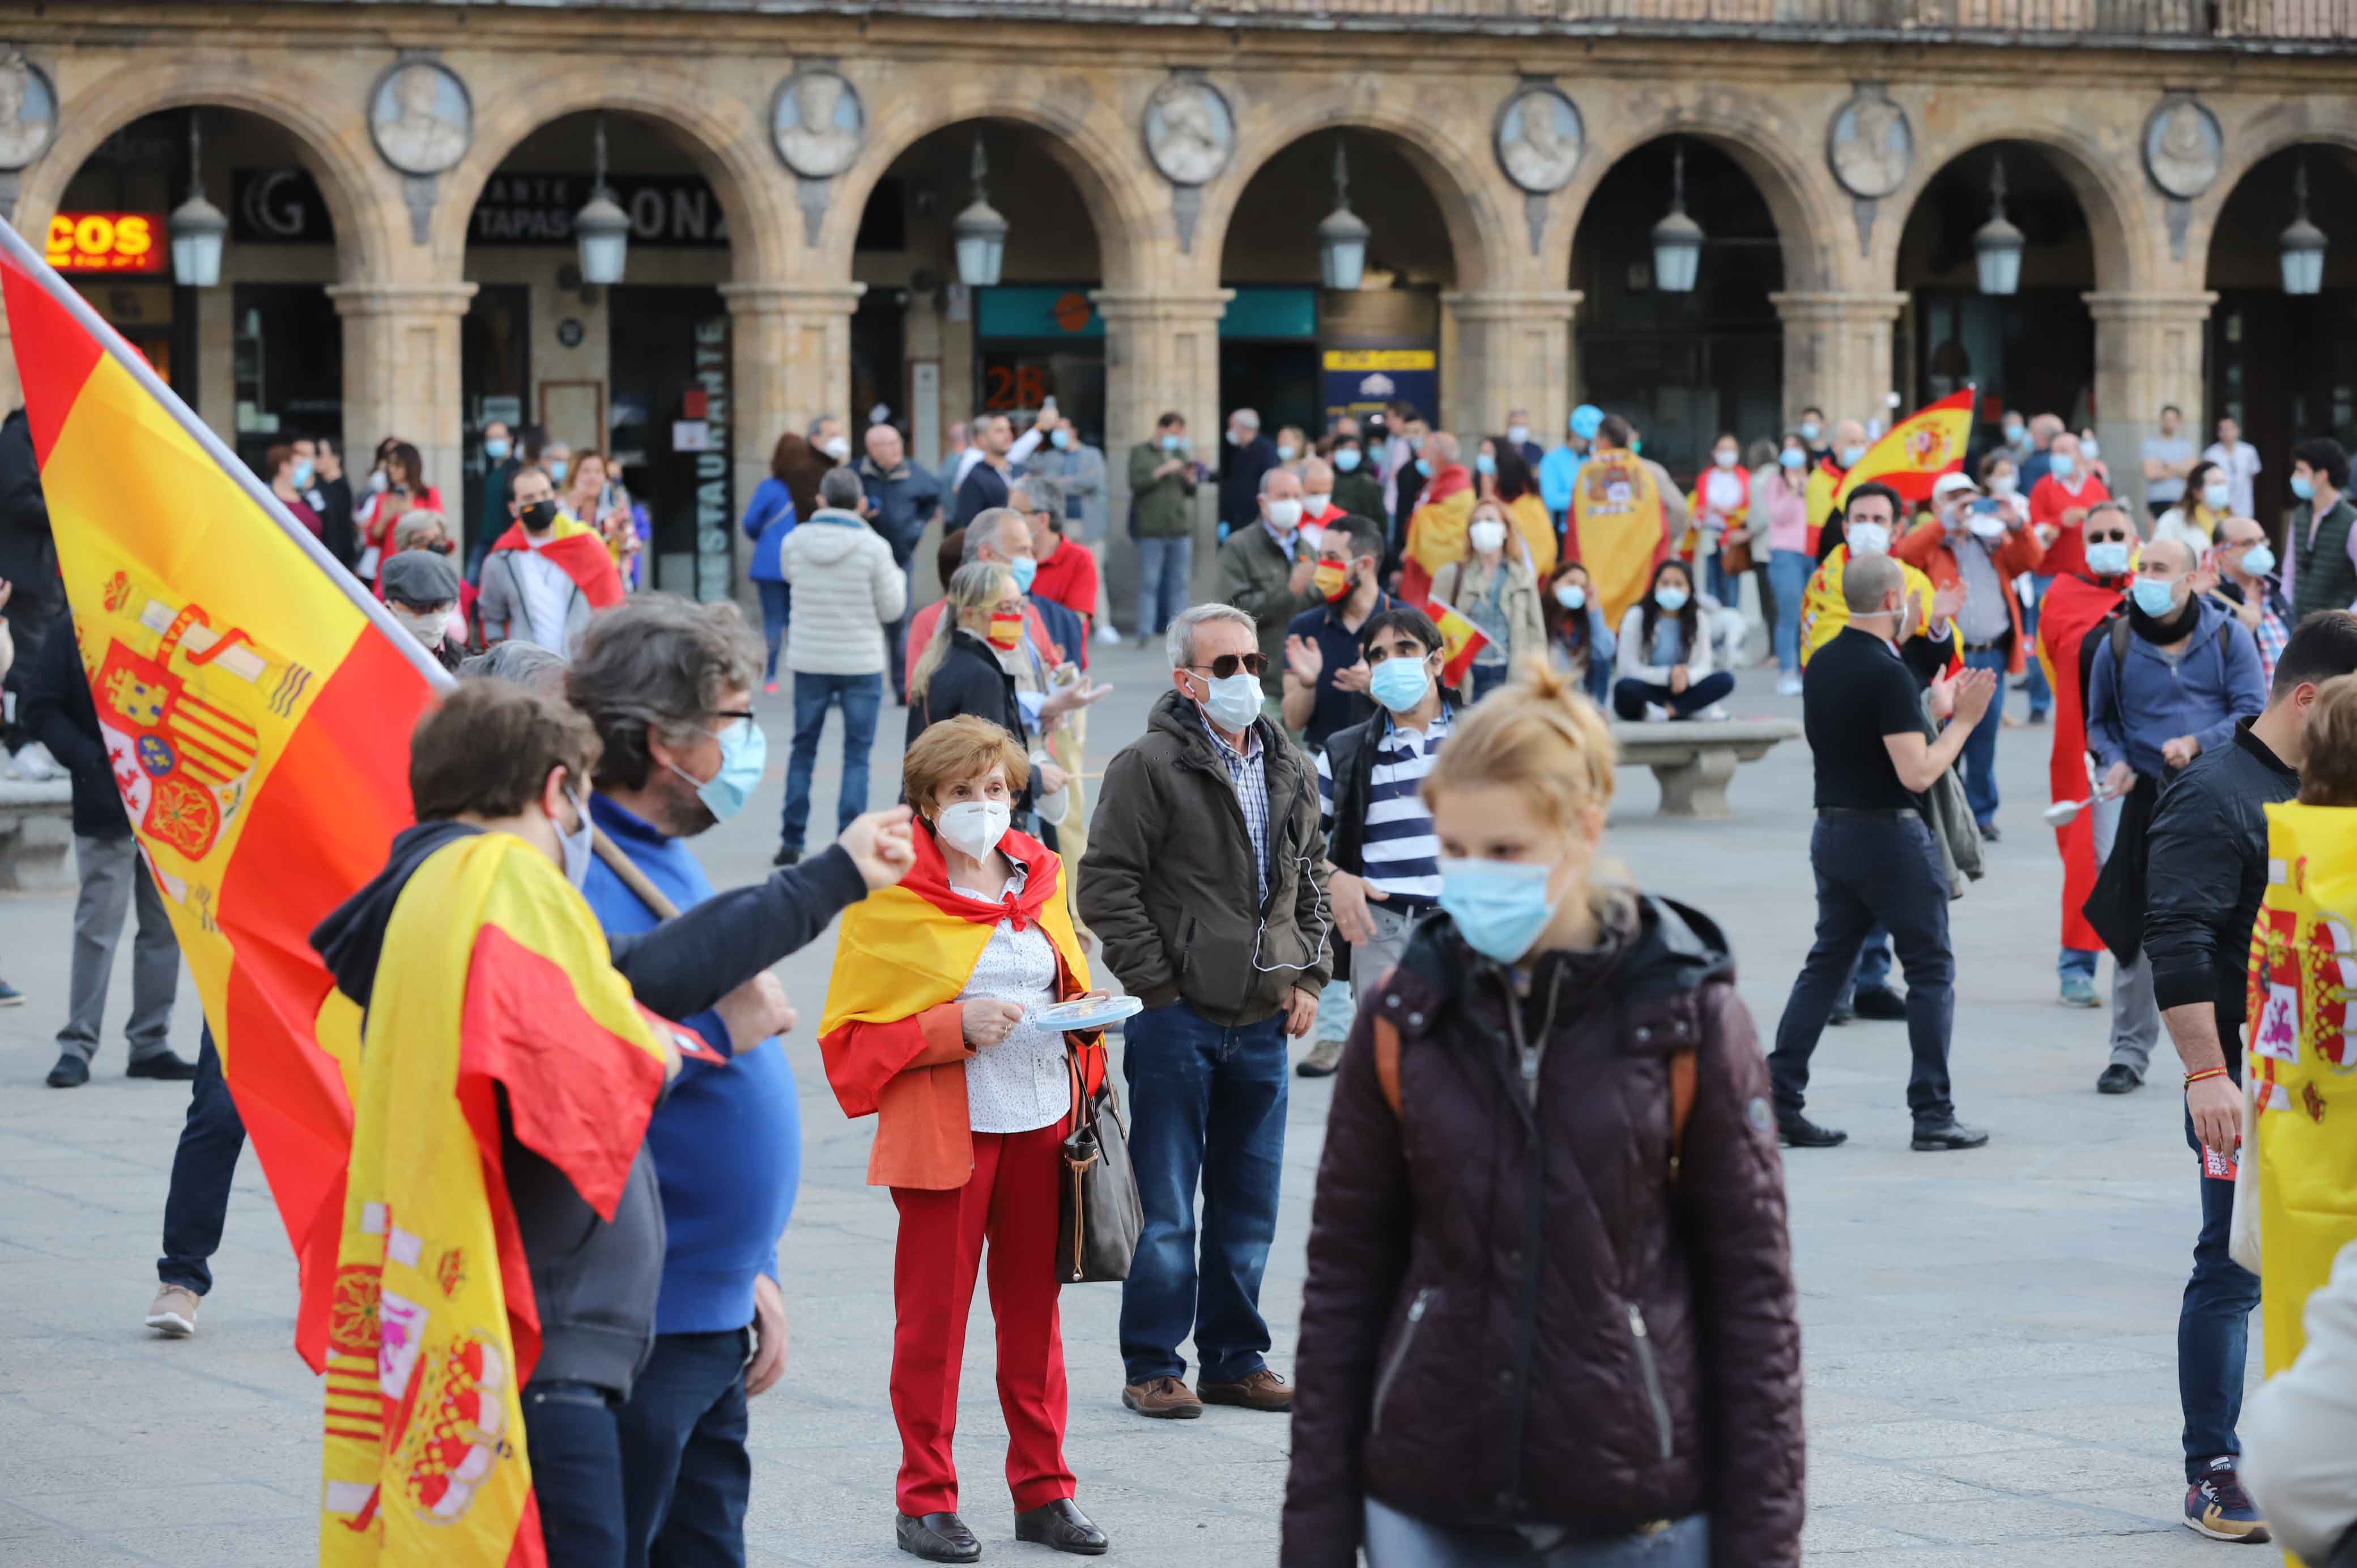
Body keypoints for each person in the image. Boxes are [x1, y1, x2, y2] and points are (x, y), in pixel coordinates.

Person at [1283, 656, 1805, 1568]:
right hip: (1429, 1496)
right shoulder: (1404, 1019)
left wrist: (1761, 1546)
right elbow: (1343, 1286)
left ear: (1583, 831)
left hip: (1635, 1504)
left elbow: (1753, 1302)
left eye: (1506, 852)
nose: (1474, 877)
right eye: (1456, 850)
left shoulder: (1688, 1019)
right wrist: (1314, 1541)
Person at [566, 599, 913, 1568]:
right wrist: (725, 1028)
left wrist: (752, 1265)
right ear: (655, 737)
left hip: (712, 1304)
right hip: (642, 1320)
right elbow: (598, 1077)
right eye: (729, 720)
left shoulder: (662, 852)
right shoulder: (577, 872)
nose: (744, 742)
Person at [818, 716, 1111, 1563]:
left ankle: (1046, 1492)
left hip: (1044, 1124)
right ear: (925, 802)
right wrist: (951, 1026)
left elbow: (1069, 975)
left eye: (996, 790)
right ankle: (925, 1500)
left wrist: (1086, 1013)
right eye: (962, 793)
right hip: (949, 1134)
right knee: (933, 1329)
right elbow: (850, 1038)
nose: (984, 806)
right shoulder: (894, 894)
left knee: (1036, 1324)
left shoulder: (1040, 872)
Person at [1079, 603, 1329, 1422]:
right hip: (1177, 1019)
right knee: (1165, 1204)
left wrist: (1310, 978)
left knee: (1249, 1204)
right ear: (1186, 681)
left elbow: (1313, 879)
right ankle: (1154, 1363)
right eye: (1226, 668)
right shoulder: (1147, 764)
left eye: (1254, 664)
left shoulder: (1288, 760)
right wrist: (1159, 986)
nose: (1246, 680)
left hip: (1265, 1017)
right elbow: (1107, 884)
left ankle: (1233, 1358)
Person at [2146, 612, 2357, 1547]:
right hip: (2249, 1079)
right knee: (2231, 1268)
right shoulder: (2217, 794)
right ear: (2308, 698)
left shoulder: (2330, 793)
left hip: (2325, 1081)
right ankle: (2213, 1464)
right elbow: (2180, 941)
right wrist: (2206, 1073)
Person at [1770, 551, 1997, 1152]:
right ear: (1895, 598)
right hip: (1890, 836)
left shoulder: (1823, 661)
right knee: (1928, 968)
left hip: (1833, 831)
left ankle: (1779, 1097)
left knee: (1825, 965)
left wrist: (1929, 698)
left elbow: (1869, 730)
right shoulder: (1883, 672)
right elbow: (1917, 771)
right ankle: (1932, 1113)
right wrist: (1964, 723)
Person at [2082, 534, 2267, 1094]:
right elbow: (2099, 723)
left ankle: (2236, 1048)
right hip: (2147, 796)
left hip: (2219, 796)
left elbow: (2251, 710)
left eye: (2159, 569)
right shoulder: (2113, 640)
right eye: (2142, 568)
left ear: (2190, 579)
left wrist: (2196, 741)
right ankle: (2127, 1050)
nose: (2146, 578)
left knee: (2234, 923)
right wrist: (2113, 761)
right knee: (2136, 924)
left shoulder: (2228, 635)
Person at [18, 607, 192, 1088]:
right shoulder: (74, 620)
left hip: (167, 804)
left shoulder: (170, 618)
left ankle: (151, 1042)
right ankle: (78, 1045)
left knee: (164, 929)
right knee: (97, 928)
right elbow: (41, 707)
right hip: (104, 799)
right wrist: (92, 761)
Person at [1309, 604, 1454, 1057]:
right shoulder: (1345, 750)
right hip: (1383, 930)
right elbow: (1296, 839)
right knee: (1392, 1067)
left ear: (1436, 660)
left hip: (1465, 927)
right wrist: (1334, 879)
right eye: (1379, 655)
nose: (1391, 662)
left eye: (1406, 649)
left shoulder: (1481, 738)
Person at [1895, 469, 2044, 838]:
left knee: (1984, 735)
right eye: (1954, 499)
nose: (1964, 506)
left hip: (1990, 652)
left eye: (1969, 498)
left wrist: (2016, 523)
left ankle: (1982, 813)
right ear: (1937, 505)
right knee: (1945, 735)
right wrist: (1942, 524)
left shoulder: (1988, 542)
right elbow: (1904, 555)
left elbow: (2032, 559)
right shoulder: (1930, 544)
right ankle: (1947, 811)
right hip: (1944, 655)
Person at [776, 466, 906, 868]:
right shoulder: (875, 548)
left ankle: (792, 839)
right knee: (857, 754)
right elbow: (893, 609)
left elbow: (786, 577)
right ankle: (847, 842)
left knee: (803, 748)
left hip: (810, 658)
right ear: (862, 504)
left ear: (821, 500)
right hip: (860, 660)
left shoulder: (795, 541)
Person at [2041, 501, 2139, 1008]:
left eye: (2115, 534)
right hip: (2094, 753)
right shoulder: (2063, 593)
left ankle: (2155, 965)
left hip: (2161, 751)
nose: (2106, 544)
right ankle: (2077, 964)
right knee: (2092, 860)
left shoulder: (2158, 589)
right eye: (2096, 536)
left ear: (2135, 538)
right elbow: (2053, 659)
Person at [907, 563, 1070, 837]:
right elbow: (986, 761)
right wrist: (1039, 778)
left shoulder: (945, 658)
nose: (1018, 616)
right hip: (969, 822)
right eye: (1007, 608)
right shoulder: (981, 676)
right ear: (971, 614)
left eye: (1021, 606)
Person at [477, 463, 627, 654]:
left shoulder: (585, 547)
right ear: (514, 509)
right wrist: (501, 658)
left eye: (544, 494)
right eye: (529, 498)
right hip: (525, 675)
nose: (539, 501)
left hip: (579, 671)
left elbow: (612, 607)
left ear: (555, 498)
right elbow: (491, 617)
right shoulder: (501, 560)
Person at [1280, 513, 1394, 753]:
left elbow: (1425, 708)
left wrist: (1374, 687)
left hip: (1388, 762)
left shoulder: (1405, 623)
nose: (1322, 568)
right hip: (1322, 763)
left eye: (1332, 558)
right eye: (1320, 558)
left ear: (1364, 565)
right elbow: (1293, 721)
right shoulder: (1306, 627)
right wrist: (1307, 684)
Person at [1216, 465, 1322, 716]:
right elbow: (1234, 612)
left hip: (1301, 679)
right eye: (1283, 497)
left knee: (1300, 755)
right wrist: (1289, 591)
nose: (1292, 504)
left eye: (1297, 497)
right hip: (1259, 681)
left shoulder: (1307, 549)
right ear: (1263, 503)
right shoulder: (1239, 546)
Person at [1566, 414, 1673, 633]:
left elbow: (1575, 522)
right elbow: (1658, 524)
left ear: (1603, 440)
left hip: (1595, 564)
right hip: (1634, 563)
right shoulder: (1642, 472)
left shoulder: (1588, 472)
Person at [859, 423, 943, 699]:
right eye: (889, 445)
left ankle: (902, 686)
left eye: (898, 443)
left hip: (899, 560)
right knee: (863, 624)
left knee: (899, 625)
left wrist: (917, 525)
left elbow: (934, 497)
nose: (897, 449)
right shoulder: (855, 474)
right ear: (872, 450)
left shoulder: (915, 474)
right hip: (863, 562)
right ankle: (861, 684)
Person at [1433, 497, 1545, 704]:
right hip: (1467, 678)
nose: (1482, 527)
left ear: (1505, 530)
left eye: (1490, 520)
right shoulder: (1451, 575)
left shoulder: (1522, 577)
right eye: (1476, 522)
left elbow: (1536, 633)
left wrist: (1536, 679)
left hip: (1511, 677)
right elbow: (1434, 630)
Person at [1613, 557, 1733, 722]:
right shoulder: (1637, 616)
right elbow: (1628, 667)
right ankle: (1684, 709)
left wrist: (1687, 677)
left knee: (1725, 680)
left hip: (1683, 687)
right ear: (1655, 587)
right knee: (1624, 689)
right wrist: (1668, 676)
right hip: (1648, 686)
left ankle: (1672, 711)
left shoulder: (1699, 618)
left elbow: (1704, 664)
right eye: (1665, 583)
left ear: (1690, 589)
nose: (1671, 589)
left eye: (1678, 584)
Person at [1130, 410, 1201, 644]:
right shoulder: (1141, 452)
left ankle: (1177, 633)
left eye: (1179, 433)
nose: (1176, 437)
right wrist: (1162, 471)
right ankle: (1145, 631)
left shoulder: (1181, 453)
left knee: (1179, 583)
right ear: (1161, 429)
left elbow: (1191, 491)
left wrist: (1189, 476)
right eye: (1173, 432)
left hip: (1179, 528)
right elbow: (1136, 483)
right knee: (1149, 581)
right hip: (1151, 530)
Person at [1758, 434, 1814, 693]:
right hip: (1785, 553)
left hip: (1812, 552)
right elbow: (1777, 516)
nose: (1792, 452)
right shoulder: (1776, 483)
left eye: (1796, 447)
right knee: (1789, 613)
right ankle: (1787, 672)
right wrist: (1793, 490)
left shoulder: (1817, 479)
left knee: (1811, 616)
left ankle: (1809, 671)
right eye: (1787, 447)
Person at [743, 437, 800, 693]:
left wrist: (766, 539)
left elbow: (750, 522)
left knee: (773, 622)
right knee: (798, 622)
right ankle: (802, 674)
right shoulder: (807, 489)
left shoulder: (769, 488)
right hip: (800, 563)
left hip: (769, 564)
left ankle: (771, 678)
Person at [1398, 432, 1477, 605]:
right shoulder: (1434, 481)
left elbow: (1453, 527)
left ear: (1439, 454)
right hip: (1422, 557)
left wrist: (1421, 520)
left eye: (1425, 449)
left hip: (1441, 562)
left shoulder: (1458, 483)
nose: (1420, 454)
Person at [2213, 513, 2291, 685]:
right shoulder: (2214, 602)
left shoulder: (2275, 591)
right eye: (2248, 543)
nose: (2260, 549)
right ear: (2221, 553)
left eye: (2262, 541)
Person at [354, 441, 441, 585]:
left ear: (411, 467)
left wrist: (410, 511)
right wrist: (384, 518)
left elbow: (438, 528)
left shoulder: (430, 494)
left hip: (421, 567)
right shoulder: (383, 498)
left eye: (397, 465)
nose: (391, 470)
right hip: (390, 568)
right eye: (390, 465)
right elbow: (373, 540)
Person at [2288, 437, 2356, 621]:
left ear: (2322, 476)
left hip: (2337, 630)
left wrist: (2347, 618)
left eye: (2301, 471)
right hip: (2299, 625)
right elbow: (2290, 573)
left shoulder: (2352, 521)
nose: (2294, 477)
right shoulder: (2300, 515)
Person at [1687, 430, 1751, 619]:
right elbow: (1697, 505)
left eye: (1731, 449)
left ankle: (1733, 625)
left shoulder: (1745, 477)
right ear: (1714, 452)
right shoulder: (1706, 477)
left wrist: (1732, 513)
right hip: (1710, 534)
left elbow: (1750, 508)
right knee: (1711, 583)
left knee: (1731, 585)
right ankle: (1714, 628)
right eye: (1723, 449)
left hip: (1732, 539)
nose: (1727, 453)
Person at [1477, 432, 1555, 579]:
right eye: (1481, 453)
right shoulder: (1484, 480)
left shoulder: (1525, 497)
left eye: (1487, 453)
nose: (1483, 458)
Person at [1543, 557, 1616, 708]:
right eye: (1571, 583)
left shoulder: (1586, 619)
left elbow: (1604, 651)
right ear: (1554, 585)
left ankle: (1596, 710)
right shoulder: (1538, 613)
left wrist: (1593, 607)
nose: (1577, 589)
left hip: (1581, 691)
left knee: (1601, 657)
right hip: (1551, 690)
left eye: (1583, 587)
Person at [379, 548, 466, 673]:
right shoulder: (366, 666)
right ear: (389, 608)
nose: (435, 616)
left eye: (443, 606)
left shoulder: (466, 667)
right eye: (421, 608)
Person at [1032, 416, 1107, 544]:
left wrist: (1064, 481)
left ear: (1073, 431)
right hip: (1061, 525)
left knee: (1091, 563)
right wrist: (1078, 480)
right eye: (1055, 430)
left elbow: (1092, 482)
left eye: (1061, 429)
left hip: (1089, 525)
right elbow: (1049, 485)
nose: (1057, 433)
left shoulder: (1093, 454)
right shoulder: (1051, 456)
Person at [1218, 407, 1280, 539]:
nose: (1230, 431)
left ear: (1242, 428)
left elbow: (1271, 484)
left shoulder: (1267, 451)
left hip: (1256, 522)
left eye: (1232, 426)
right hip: (1237, 521)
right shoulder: (1239, 452)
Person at [1538, 403, 1600, 534]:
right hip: (1566, 532)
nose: (1590, 445)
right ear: (1573, 433)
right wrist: (1589, 499)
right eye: (1586, 439)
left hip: (1596, 530)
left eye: (1593, 441)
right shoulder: (1552, 460)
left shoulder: (1597, 458)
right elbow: (1551, 499)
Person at [954, 414, 1022, 532]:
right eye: (999, 431)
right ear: (983, 439)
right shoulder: (975, 478)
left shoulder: (1021, 471)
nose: (1008, 436)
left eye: (1009, 429)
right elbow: (970, 527)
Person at [2155, 459, 2232, 555]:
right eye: (2216, 484)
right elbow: (2160, 553)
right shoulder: (2174, 519)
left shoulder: (2232, 521)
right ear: (2197, 491)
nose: (2222, 489)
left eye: (2224, 483)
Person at [2145, 403, 2199, 521]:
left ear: (2179, 422)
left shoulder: (2186, 446)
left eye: (2173, 420)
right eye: (2166, 419)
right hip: (2158, 501)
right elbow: (2151, 474)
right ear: (2161, 420)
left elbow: (2193, 474)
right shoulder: (2151, 444)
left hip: (2181, 501)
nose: (2169, 423)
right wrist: (2181, 469)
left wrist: (2167, 466)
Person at [2205, 414, 2263, 521]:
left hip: (2245, 509)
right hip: (2219, 509)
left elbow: (2253, 475)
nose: (2227, 433)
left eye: (2230, 429)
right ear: (2219, 433)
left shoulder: (2249, 451)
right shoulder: (2211, 454)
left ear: (2238, 430)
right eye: (2223, 430)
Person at [263, 441, 325, 541]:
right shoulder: (264, 496)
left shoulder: (308, 497)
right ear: (284, 467)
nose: (304, 471)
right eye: (300, 466)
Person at [1328, 431, 1385, 525]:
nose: (1348, 452)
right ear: (1333, 452)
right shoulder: (1326, 480)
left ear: (1361, 454)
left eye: (1353, 449)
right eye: (1343, 448)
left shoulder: (1368, 482)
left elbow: (1380, 518)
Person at [1503, 406, 1543, 470]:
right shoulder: (1498, 448)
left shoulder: (1537, 450)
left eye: (1523, 425)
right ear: (1507, 426)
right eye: (1515, 424)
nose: (1519, 428)